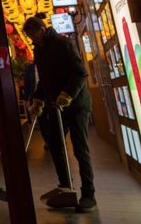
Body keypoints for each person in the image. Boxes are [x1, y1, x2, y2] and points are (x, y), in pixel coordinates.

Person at [23, 15, 97, 213]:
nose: (31, 39)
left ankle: (89, 194)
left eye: (32, 34)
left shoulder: (63, 43)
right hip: (56, 106)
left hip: (77, 104)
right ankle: (65, 188)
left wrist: (68, 94)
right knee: (55, 145)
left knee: (80, 149)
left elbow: (80, 72)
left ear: (41, 29)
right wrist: (38, 99)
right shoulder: (38, 50)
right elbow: (44, 79)